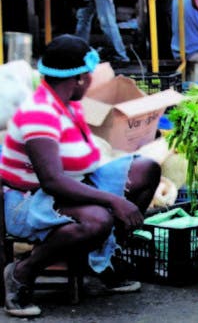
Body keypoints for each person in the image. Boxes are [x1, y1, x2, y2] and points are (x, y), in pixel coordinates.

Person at [0, 35, 161, 317]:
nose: (90, 81)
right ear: (77, 79)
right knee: (98, 219)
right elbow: (52, 181)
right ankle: (22, 272)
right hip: (29, 200)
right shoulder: (40, 113)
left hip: (73, 184)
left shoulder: (68, 102)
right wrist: (114, 201)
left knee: (146, 169)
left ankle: (103, 258)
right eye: (88, 76)